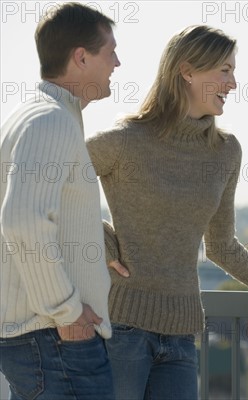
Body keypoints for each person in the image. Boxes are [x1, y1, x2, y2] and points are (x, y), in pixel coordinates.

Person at [85, 25, 248, 400]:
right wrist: (98, 237)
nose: (233, 84)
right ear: (187, 71)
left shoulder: (226, 151)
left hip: (182, 337)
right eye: (224, 71)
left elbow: (222, 247)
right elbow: (44, 183)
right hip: (122, 331)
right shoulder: (125, 141)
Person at [0, 3, 120, 399]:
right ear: (81, 57)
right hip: (56, 341)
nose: (117, 63)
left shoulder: (32, 115)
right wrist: (67, 312)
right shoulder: (49, 119)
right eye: (110, 52)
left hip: (47, 339)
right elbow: (21, 220)